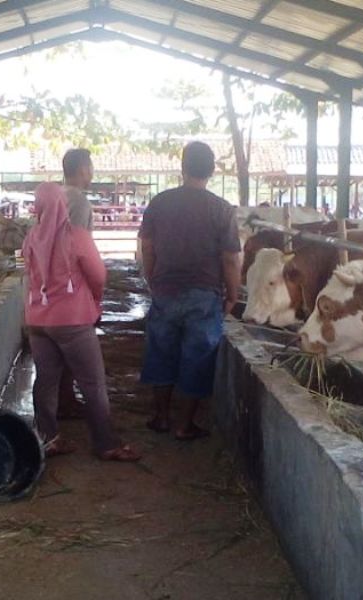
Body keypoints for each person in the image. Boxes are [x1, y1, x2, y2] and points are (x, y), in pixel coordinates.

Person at [23, 182, 140, 461]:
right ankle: (106, 443)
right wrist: (94, 301)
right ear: (63, 205)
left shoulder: (31, 237)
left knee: (46, 381)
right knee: (92, 383)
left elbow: (30, 274)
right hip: (73, 321)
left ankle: (48, 438)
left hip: (38, 321)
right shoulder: (76, 236)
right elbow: (98, 275)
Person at [139, 141, 241, 441]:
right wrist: (233, 294)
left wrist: (152, 278)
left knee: (161, 349)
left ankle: (160, 417)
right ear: (211, 170)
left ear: (182, 168)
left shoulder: (160, 202)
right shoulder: (221, 209)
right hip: (204, 293)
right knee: (198, 356)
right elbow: (231, 259)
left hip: (166, 288)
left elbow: (147, 245)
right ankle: (184, 425)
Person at [58, 148, 95, 418]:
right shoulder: (79, 201)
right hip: (70, 283)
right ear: (83, 169)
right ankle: (66, 401)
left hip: (47, 284)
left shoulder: (53, 197)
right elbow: (79, 248)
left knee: (51, 353)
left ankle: (58, 404)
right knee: (75, 346)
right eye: (90, 166)